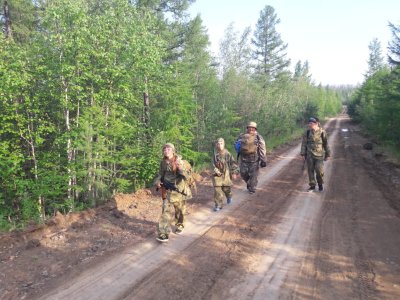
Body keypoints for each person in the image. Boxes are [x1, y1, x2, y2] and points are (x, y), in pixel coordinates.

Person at [154, 143, 192, 242]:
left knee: (180, 211)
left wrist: (180, 169)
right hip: (167, 190)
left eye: (168, 149)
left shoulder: (179, 161)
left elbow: (187, 176)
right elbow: (160, 174)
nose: (166, 150)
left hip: (178, 190)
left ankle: (180, 224)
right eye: (165, 149)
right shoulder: (163, 162)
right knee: (165, 210)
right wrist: (157, 181)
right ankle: (163, 233)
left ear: (173, 150)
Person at [235, 121, 267, 194]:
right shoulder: (242, 136)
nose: (251, 129)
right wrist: (238, 147)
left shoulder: (258, 137)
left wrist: (263, 160)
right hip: (243, 159)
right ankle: (250, 183)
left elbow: (262, 148)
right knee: (243, 174)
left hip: (254, 160)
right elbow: (236, 144)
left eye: (253, 128)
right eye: (250, 127)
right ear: (247, 128)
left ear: (255, 128)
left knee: (253, 175)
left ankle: (252, 188)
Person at [300, 117, 331, 192]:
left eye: (311, 123)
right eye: (309, 123)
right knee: (310, 171)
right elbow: (304, 144)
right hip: (309, 155)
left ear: (316, 123)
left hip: (319, 155)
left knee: (319, 171)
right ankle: (312, 186)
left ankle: (320, 184)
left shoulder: (322, 132)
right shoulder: (307, 132)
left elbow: (325, 144)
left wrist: (328, 154)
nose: (309, 125)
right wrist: (303, 154)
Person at [212, 138, 240, 211]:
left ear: (224, 144)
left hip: (226, 175)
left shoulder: (227, 154)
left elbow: (233, 163)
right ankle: (218, 205)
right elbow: (213, 165)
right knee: (217, 190)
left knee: (226, 189)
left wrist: (234, 172)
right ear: (216, 145)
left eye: (221, 143)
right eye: (218, 143)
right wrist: (216, 170)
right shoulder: (215, 155)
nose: (220, 145)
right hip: (217, 176)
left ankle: (229, 196)